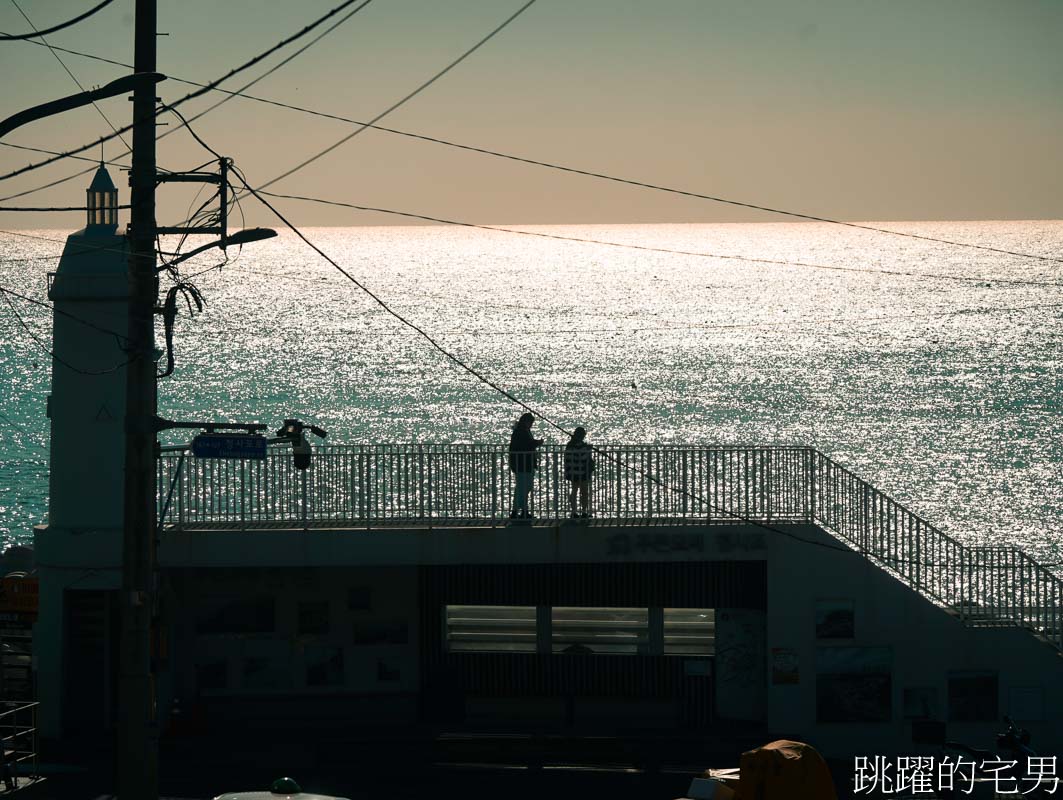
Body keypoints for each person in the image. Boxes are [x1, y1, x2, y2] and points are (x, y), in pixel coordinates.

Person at [508, 412, 543, 519]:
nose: (531, 425)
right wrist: (537, 443)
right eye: (530, 422)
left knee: (522, 488)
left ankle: (517, 511)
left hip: (523, 464)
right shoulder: (521, 432)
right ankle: (522, 511)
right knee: (524, 487)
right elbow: (526, 445)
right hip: (523, 464)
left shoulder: (521, 431)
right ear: (526, 422)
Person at [563, 426, 595, 518]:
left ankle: (574, 511)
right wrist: (588, 449)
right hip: (582, 472)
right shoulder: (581, 445)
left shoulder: (569, 445)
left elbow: (568, 459)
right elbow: (582, 457)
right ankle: (584, 511)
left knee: (574, 491)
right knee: (584, 492)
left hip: (573, 473)